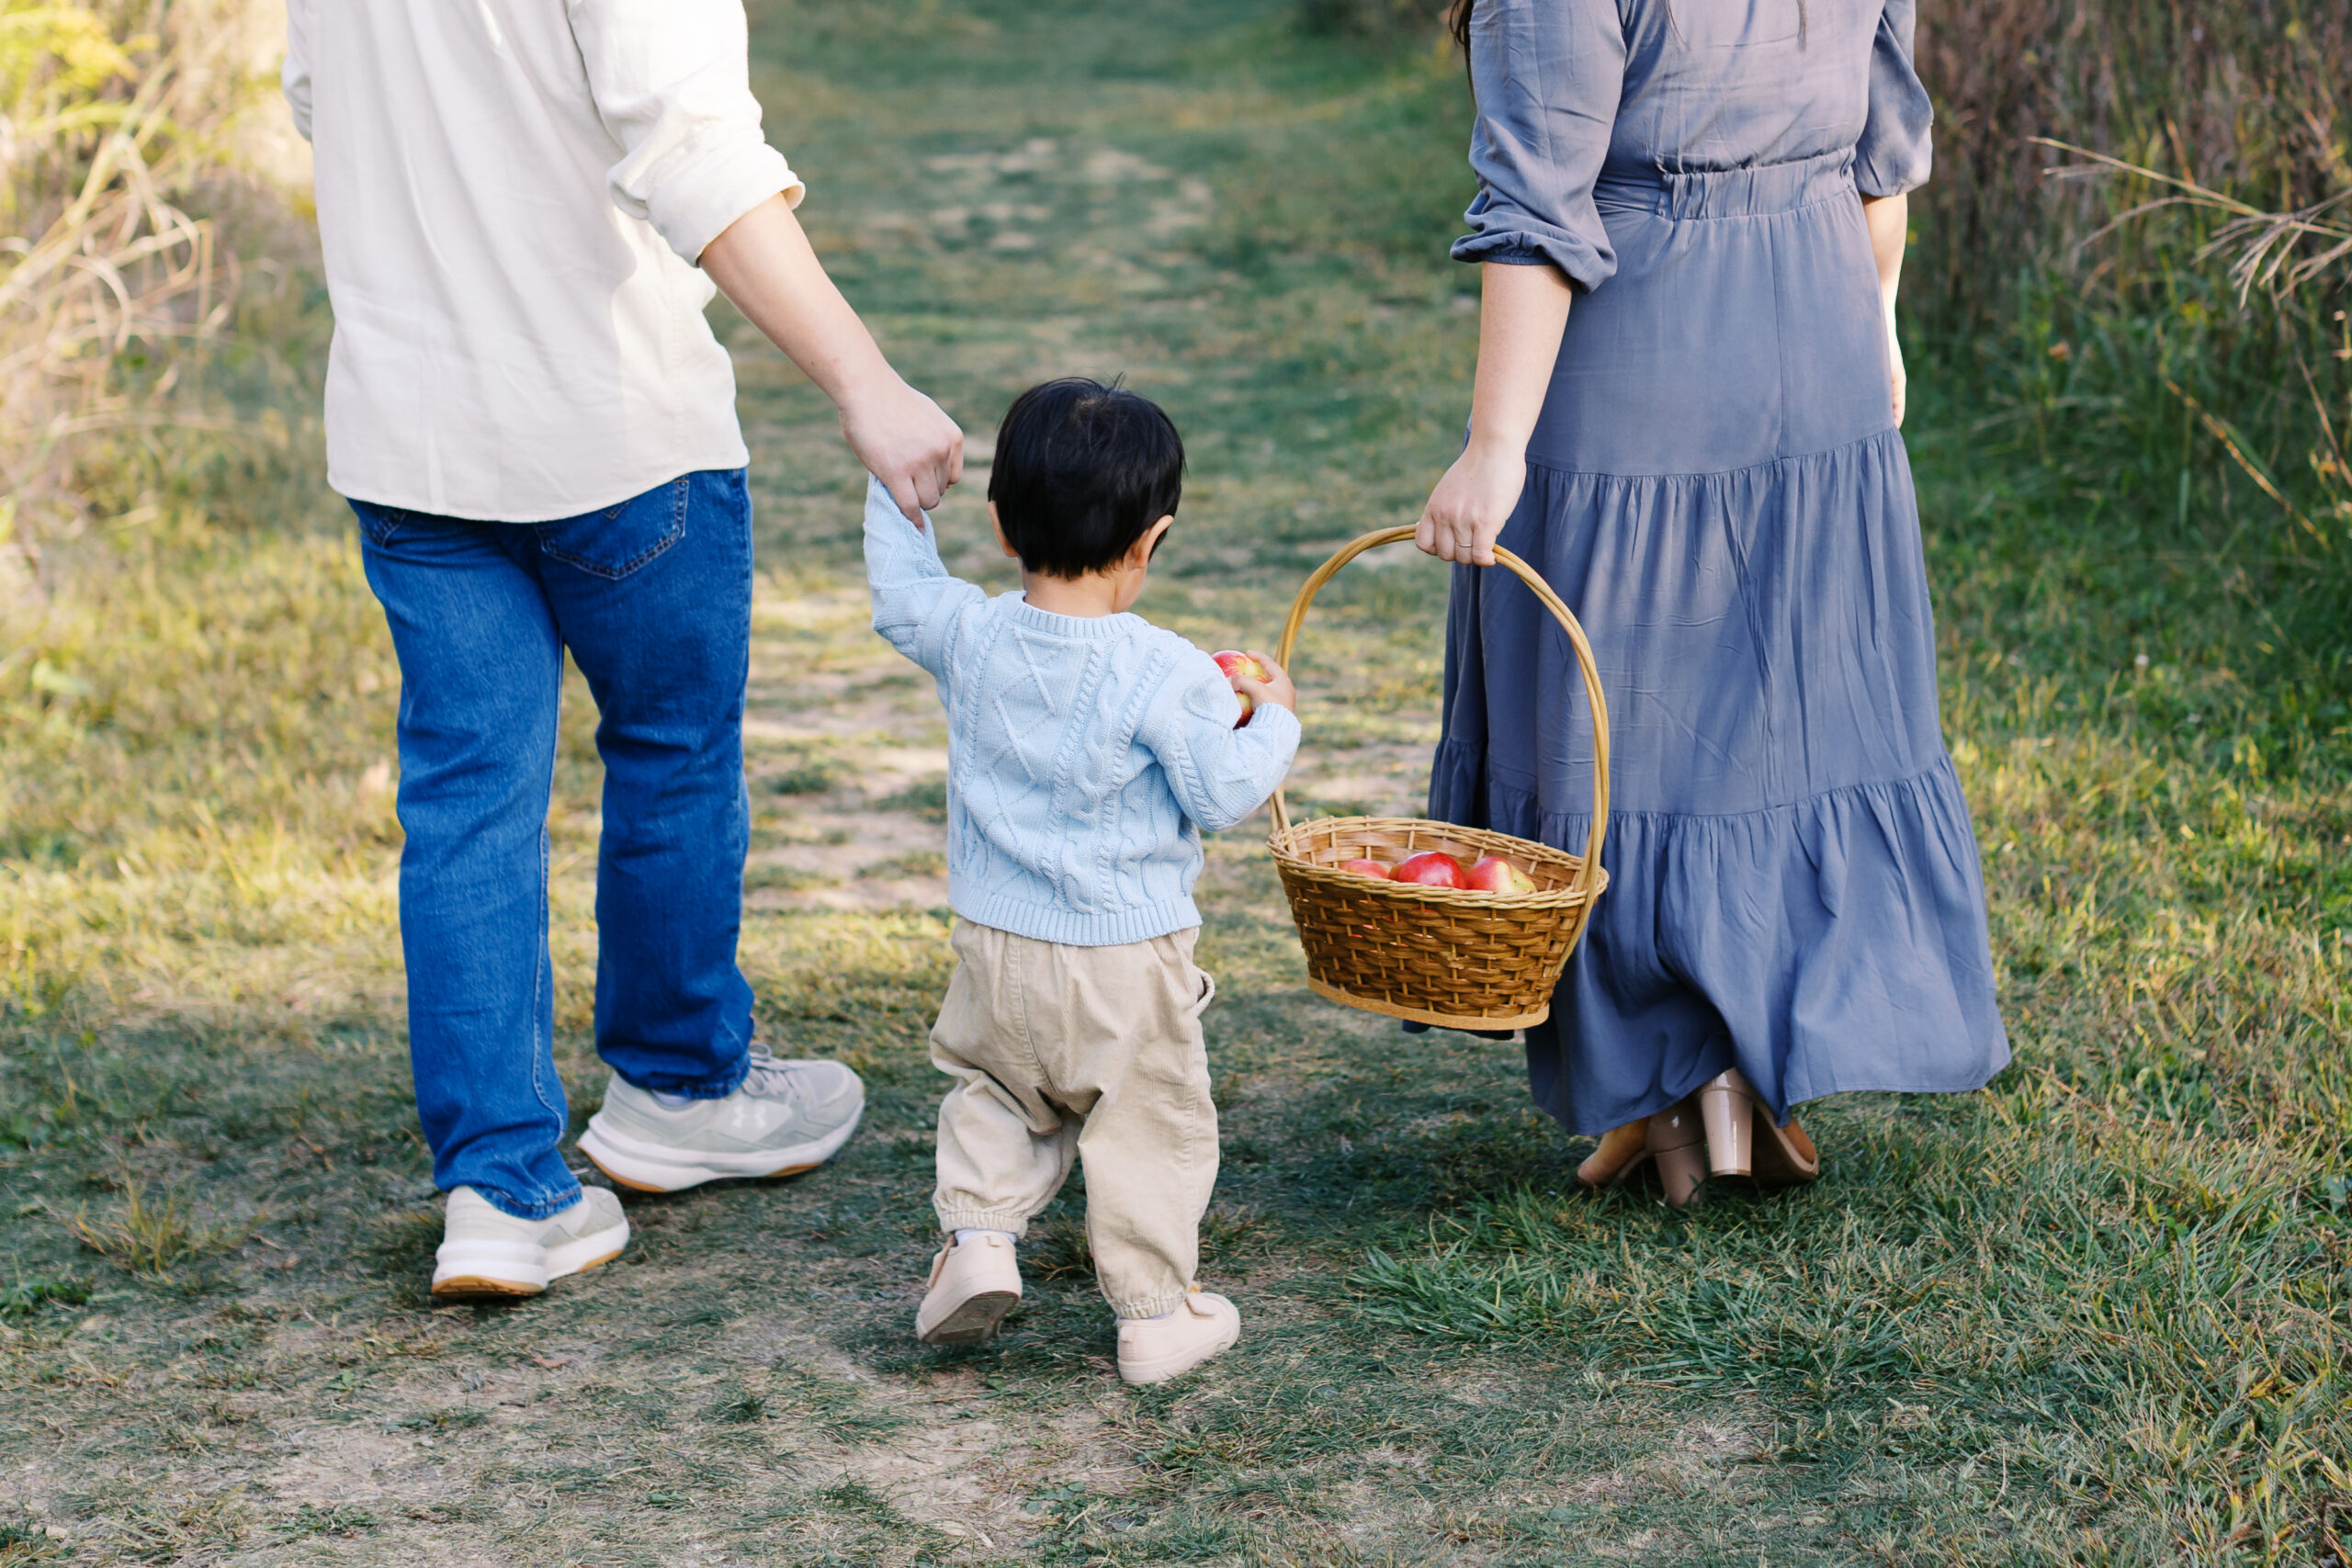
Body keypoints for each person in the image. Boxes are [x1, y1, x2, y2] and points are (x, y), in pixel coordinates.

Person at [282, 0, 965, 1298]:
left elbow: (320, 101)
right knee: (669, 754)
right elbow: (695, 149)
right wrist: (865, 382)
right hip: (615, 425)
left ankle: (498, 1188)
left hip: (411, 431)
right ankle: (678, 1082)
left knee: (467, 807)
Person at [1413, 0, 2009, 1204]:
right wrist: (1880, 327)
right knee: (1779, 706)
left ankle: (1678, 1085)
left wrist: (1494, 443)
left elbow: (1542, 205)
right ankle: (1740, 1079)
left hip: (1650, 335)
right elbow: (1882, 148)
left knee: (1626, 715)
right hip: (1821, 319)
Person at [863, 379, 1299, 1384]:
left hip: (995, 946)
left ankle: (975, 1240)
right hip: (1122, 959)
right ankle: (1152, 1314)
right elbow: (1221, 791)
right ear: (1153, 539)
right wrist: (1272, 715)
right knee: (1146, 1119)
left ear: (1002, 528)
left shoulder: (967, 634)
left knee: (994, 1090)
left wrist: (894, 492)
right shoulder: (1166, 668)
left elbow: (902, 593)